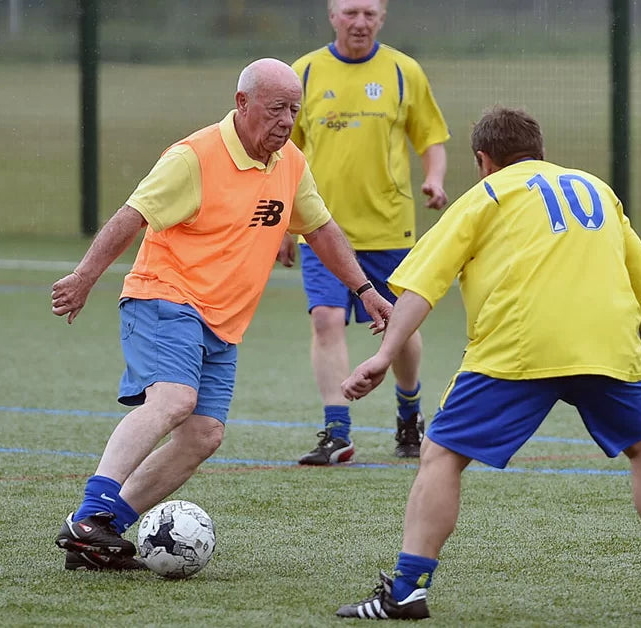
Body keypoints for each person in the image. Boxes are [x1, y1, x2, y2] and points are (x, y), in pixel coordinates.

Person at [335, 107, 641, 619]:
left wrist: (384, 354)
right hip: (606, 341)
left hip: (519, 343)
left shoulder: (485, 195)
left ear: (483, 160)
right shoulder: (597, 191)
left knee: (443, 454)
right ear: (539, 149)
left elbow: (422, 287)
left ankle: (407, 589)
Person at [49, 58, 392, 571]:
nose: (285, 121)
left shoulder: (290, 162)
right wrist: (84, 277)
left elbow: (320, 229)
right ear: (243, 104)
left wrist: (364, 289)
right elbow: (131, 216)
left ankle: (99, 534)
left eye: (294, 111)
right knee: (175, 399)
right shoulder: (194, 157)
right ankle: (91, 512)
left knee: (203, 435)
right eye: (276, 109)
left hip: (223, 323)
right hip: (165, 296)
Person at [281, 0, 451, 465]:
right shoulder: (305, 73)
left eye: (369, 13)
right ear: (332, 15)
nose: (360, 22)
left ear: (382, 17)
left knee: (398, 325)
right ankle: (337, 433)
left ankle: (409, 414)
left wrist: (434, 178)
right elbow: (283, 150)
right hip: (320, 226)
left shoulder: (403, 71)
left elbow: (431, 137)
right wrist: (280, 222)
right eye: (350, 12)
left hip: (389, 228)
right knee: (325, 320)